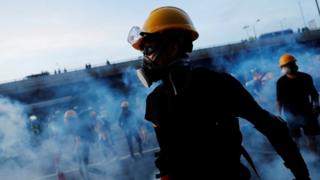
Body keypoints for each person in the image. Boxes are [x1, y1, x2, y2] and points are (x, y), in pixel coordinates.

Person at [128, 6, 311, 179]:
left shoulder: (217, 85)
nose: (145, 59)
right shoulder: (156, 100)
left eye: (149, 50)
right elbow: (167, 155)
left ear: (173, 48)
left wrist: (302, 174)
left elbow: (273, 127)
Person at [276, 53, 320, 153]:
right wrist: (279, 115)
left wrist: (315, 105)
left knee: (311, 139)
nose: (292, 66)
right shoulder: (281, 82)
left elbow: (314, 94)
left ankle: (314, 159)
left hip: (307, 113)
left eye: (293, 63)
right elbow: (279, 101)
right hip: (290, 115)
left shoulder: (306, 77)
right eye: (287, 65)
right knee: (295, 141)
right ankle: (298, 162)